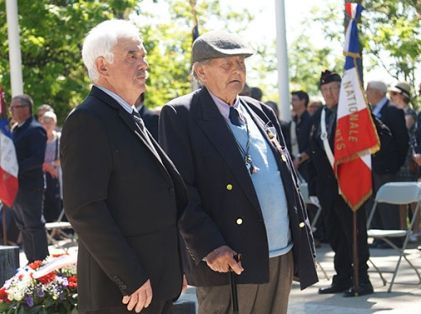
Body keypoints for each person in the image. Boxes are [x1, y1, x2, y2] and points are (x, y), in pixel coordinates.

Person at [159, 30, 318, 314]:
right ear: (201, 72)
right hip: (230, 259)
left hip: (280, 252)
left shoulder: (260, 111)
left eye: (241, 63)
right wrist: (210, 246)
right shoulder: (180, 114)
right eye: (226, 64)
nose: (237, 71)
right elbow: (180, 192)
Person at [60, 20, 188, 314]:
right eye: (132, 56)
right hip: (124, 295)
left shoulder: (129, 115)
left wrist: (176, 265)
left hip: (157, 285)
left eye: (143, 56)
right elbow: (85, 210)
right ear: (103, 66)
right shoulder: (88, 120)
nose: (143, 64)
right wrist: (130, 277)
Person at [308, 70, 373, 297]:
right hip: (328, 188)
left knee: (354, 234)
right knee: (336, 235)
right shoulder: (319, 117)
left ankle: (362, 279)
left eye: (333, 89)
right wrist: (315, 186)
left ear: (342, 90)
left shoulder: (355, 114)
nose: (329, 94)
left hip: (351, 184)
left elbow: (377, 135)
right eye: (325, 90)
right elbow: (313, 152)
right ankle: (343, 277)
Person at [366, 81, 409, 248]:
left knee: (387, 204)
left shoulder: (392, 110)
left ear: (377, 92)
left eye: (368, 90)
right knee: (373, 202)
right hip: (371, 165)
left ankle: (392, 239)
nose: (366, 93)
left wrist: (395, 164)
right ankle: (379, 237)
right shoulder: (370, 111)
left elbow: (401, 140)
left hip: (387, 166)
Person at [10, 94, 49, 262]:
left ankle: (42, 265)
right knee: (23, 226)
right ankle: (32, 264)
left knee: (33, 225)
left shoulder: (35, 129)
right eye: (11, 107)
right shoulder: (15, 129)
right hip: (15, 186)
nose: (11, 110)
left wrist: (15, 169)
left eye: (15, 107)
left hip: (30, 186)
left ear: (26, 108)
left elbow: (36, 159)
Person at [39, 111, 62, 222]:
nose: (48, 124)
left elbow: (65, 158)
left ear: (55, 123)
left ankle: (56, 232)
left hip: (55, 175)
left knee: (55, 202)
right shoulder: (38, 138)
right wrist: (46, 166)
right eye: (45, 121)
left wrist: (51, 165)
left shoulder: (59, 139)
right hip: (40, 174)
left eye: (50, 121)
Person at [288, 90, 312, 182]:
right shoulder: (293, 122)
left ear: (303, 101)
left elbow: (313, 144)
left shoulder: (310, 120)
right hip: (294, 164)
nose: (292, 102)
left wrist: (300, 158)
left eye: (295, 100)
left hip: (307, 165)